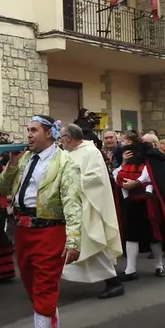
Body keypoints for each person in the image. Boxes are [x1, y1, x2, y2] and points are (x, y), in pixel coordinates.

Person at [0, 115, 83, 328]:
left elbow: (73, 201)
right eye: (28, 130)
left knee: (45, 285)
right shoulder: (23, 159)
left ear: (49, 133)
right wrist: (11, 166)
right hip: (23, 231)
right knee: (33, 286)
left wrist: (74, 240)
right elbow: (3, 188)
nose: (29, 135)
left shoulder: (65, 162)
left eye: (34, 130)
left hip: (50, 229)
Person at [59, 124, 124, 299]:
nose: (60, 140)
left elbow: (96, 178)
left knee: (93, 244)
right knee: (80, 245)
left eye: (62, 136)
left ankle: (114, 282)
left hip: (89, 205)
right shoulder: (68, 153)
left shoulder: (91, 152)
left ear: (69, 138)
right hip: (73, 205)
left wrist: (71, 181)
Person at [113, 136, 165, 279]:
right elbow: (116, 174)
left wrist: (136, 182)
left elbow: (152, 176)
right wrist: (124, 163)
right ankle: (130, 269)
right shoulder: (127, 159)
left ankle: (159, 265)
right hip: (131, 202)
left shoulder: (153, 157)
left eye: (125, 141)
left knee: (154, 235)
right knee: (131, 236)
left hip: (148, 201)